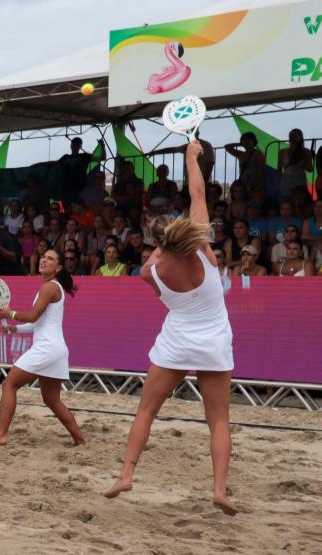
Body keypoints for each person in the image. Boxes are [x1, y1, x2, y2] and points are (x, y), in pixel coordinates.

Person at [105, 140, 237, 516]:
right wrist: (190, 157)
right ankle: (219, 490)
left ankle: (126, 475)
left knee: (146, 411)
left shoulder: (150, 271)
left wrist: (161, 241)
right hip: (213, 340)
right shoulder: (204, 251)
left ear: (154, 241)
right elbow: (197, 191)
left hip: (176, 342)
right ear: (182, 231)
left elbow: (160, 251)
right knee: (219, 421)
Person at [0, 249, 86, 447]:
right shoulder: (52, 288)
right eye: (43, 257)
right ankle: (81, 440)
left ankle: (1, 435)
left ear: (59, 267)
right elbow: (39, 323)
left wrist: (9, 313)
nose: (44, 260)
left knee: (9, 385)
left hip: (47, 348)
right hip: (57, 350)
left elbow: (32, 316)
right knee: (52, 399)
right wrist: (14, 329)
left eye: (50, 258)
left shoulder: (49, 288)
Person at [277, 129, 314, 201]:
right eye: (290, 136)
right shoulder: (283, 151)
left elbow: (310, 169)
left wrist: (301, 165)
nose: (292, 138)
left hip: (299, 179)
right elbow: (279, 169)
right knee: (286, 201)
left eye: (294, 136)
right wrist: (277, 184)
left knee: (299, 201)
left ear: (300, 137)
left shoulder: (306, 152)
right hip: (286, 179)